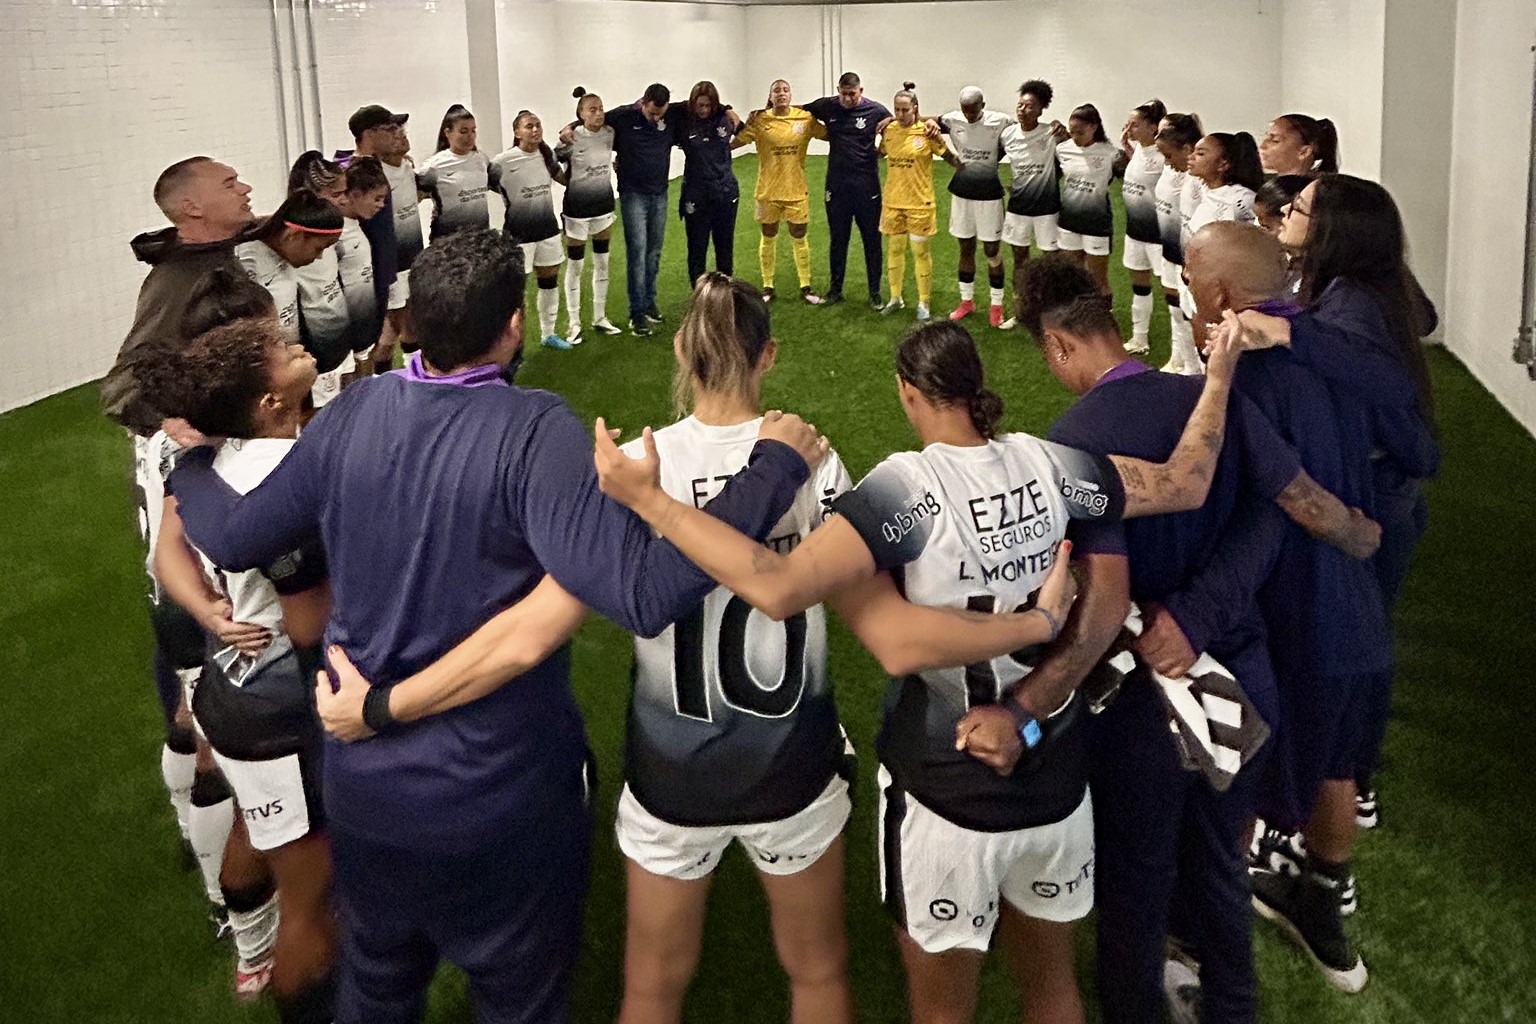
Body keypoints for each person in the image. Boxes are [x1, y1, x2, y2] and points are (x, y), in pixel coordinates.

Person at [309, 275, 1086, 1023]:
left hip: (670, 775)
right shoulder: (813, 461)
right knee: (815, 969)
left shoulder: (643, 470)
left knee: (651, 987)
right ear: (769, 355)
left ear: (682, 354)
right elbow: (859, 607)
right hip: (794, 767)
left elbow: (563, 608)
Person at [166, 228, 829, 1024]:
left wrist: (189, 465)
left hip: (367, 784)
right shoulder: (535, 428)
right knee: (519, 997)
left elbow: (234, 536)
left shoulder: (355, 410)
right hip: (501, 789)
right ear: (514, 325)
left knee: (378, 982)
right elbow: (643, 593)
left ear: (415, 323)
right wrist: (774, 468)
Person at [592, 314, 1247, 1024]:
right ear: (979, 387)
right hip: (1052, 779)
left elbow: (778, 587)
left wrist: (652, 500)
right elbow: (1187, 480)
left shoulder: (904, 488)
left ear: (908, 393)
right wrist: (1217, 378)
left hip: (945, 791)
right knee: (1053, 991)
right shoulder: (1055, 464)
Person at [1016, 254, 1380, 1024]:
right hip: (1240, 680)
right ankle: (1233, 1010)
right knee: (1221, 870)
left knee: (1135, 876)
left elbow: (1082, 586)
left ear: (1058, 346)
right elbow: (1279, 511)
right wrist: (1207, 612)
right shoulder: (1207, 400)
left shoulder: (1069, 441)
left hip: (1137, 700)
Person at [1182, 220, 1412, 994]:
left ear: (1218, 294)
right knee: (1338, 763)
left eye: (1187, 275)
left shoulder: (1244, 375)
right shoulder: (1335, 352)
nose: (1183, 288)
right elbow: (1406, 448)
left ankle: (1204, 948)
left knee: (1240, 769)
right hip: (1358, 610)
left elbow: (1274, 499)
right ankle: (1322, 914)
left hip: (1290, 610)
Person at [1232, 176, 1440, 898]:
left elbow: (1381, 381)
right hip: (1391, 501)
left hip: (1378, 509)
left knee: (1339, 671)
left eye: (1297, 210)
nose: (1284, 215)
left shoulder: (1349, 302)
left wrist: (1291, 330)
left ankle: (1322, 855)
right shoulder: (1370, 287)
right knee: (1359, 659)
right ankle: (1347, 799)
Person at [139, 313, 337, 1024]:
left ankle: (250, 954)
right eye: (283, 351)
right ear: (269, 403)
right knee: (312, 894)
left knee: (256, 830)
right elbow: (312, 625)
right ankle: (300, 999)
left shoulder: (201, 467)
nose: (295, 346)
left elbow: (167, 552)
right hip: (279, 707)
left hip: (226, 686)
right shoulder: (289, 488)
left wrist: (213, 617)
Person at [99, 156, 256, 907]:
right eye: (230, 183)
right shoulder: (176, 282)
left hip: (206, 479)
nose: (244, 188)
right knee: (202, 684)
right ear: (191, 208)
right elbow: (122, 387)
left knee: (195, 674)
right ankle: (225, 894)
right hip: (183, 490)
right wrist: (178, 424)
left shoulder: (211, 255)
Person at [234, 190, 346, 390]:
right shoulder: (248, 261)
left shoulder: (285, 256)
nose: (319, 257)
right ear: (293, 235)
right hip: (265, 378)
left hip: (288, 364)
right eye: (318, 248)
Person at [601, 83, 688, 335]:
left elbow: (698, 102)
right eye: (652, 113)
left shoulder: (671, 114)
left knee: (655, 252)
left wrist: (727, 109)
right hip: (633, 195)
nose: (656, 118)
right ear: (643, 102)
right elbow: (593, 120)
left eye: (660, 114)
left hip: (660, 193)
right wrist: (570, 128)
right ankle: (636, 313)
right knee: (637, 253)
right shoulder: (623, 116)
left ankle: (649, 302)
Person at [803, 72, 892, 308]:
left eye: (852, 94)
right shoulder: (827, 106)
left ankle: (875, 293)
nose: (848, 98)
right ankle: (835, 290)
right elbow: (799, 111)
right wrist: (770, 108)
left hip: (867, 186)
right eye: (844, 94)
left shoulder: (876, 111)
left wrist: (888, 128)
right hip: (837, 185)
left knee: (872, 240)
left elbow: (900, 124)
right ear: (838, 90)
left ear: (861, 91)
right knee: (838, 239)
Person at [734, 79, 826, 304]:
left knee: (799, 236)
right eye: (777, 91)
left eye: (785, 90)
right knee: (768, 236)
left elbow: (830, 134)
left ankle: (806, 287)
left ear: (791, 94)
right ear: (771, 96)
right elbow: (735, 142)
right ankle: (767, 287)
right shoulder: (760, 120)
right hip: (768, 192)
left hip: (796, 190)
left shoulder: (805, 119)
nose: (781, 94)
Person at [339, 104, 414, 372]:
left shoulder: (377, 167)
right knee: (367, 343)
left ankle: (390, 381)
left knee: (390, 331)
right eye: (390, 128)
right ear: (368, 133)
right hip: (361, 274)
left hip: (385, 265)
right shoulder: (347, 173)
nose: (397, 133)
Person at [877, 83, 960, 321]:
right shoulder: (889, 131)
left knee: (920, 252)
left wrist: (968, 168)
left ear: (915, 108)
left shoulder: (927, 132)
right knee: (894, 250)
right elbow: (879, 153)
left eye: (905, 109)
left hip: (920, 203)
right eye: (897, 110)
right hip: (893, 202)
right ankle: (895, 298)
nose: (901, 114)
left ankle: (924, 301)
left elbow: (948, 157)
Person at [491, 110, 572, 350]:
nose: (535, 130)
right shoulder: (503, 161)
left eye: (538, 125)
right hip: (518, 237)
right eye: (529, 126)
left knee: (549, 282)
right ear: (517, 132)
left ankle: (549, 334)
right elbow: (487, 182)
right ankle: (514, 341)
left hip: (548, 231)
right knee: (516, 294)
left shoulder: (546, 156)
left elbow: (565, 180)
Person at [935, 87, 1011, 327]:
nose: (967, 114)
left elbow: (1022, 133)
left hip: (989, 195)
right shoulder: (953, 119)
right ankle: (967, 301)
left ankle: (997, 305)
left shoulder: (1001, 121)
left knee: (991, 251)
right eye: (964, 109)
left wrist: (997, 156)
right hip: (963, 193)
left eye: (972, 109)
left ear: (983, 105)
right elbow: (929, 121)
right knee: (965, 248)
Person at [287, 154, 355, 405]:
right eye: (336, 194)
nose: (344, 200)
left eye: (345, 192)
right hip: (316, 347)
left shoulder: (335, 232)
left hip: (340, 335)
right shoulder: (294, 242)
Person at [998, 80, 1066, 330]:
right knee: (1019, 259)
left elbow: (1068, 159)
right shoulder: (1008, 135)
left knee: (1051, 259)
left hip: (1047, 209)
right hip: (1018, 209)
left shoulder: (1052, 133)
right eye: (1020, 104)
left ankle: (1054, 309)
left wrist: (1048, 181)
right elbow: (988, 159)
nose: (1023, 109)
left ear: (1041, 110)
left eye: (1030, 106)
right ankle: (1021, 310)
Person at [557, 88, 624, 341]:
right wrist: (573, 185)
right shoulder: (570, 138)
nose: (598, 113)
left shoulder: (610, 134)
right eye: (592, 109)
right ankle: (574, 323)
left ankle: (599, 317)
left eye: (600, 108)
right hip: (576, 212)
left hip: (604, 207)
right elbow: (552, 164)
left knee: (602, 262)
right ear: (581, 113)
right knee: (575, 265)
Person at [674, 81, 743, 288]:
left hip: (725, 191)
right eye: (699, 105)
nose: (704, 110)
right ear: (692, 103)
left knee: (724, 247)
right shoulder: (683, 121)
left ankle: (725, 296)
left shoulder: (724, 119)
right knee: (697, 248)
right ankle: (698, 296)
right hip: (696, 194)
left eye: (708, 106)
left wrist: (727, 109)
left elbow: (745, 130)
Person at [1154, 113, 1205, 375]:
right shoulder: (1178, 169)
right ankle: (1183, 362)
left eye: (1169, 156)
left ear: (1187, 149)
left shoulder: (1199, 182)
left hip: (1194, 263)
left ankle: (1197, 370)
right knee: (1178, 311)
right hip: (1173, 252)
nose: (1167, 163)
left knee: (1195, 316)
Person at [1117, 100, 1167, 354]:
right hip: (1134, 231)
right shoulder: (1141, 150)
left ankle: (1184, 352)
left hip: (1158, 236)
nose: (1129, 127)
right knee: (1139, 285)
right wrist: (1128, 148)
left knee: (1174, 294)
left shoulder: (1163, 157)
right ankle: (1139, 338)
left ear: (1153, 127)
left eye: (1135, 124)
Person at [333, 157, 391, 375]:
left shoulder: (358, 226)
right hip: (347, 334)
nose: (381, 205)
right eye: (376, 198)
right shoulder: (335, 237)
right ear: (354, 194)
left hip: (365, 328)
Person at [1054, 103, 1118, 294]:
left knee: (1098, 280)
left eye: (1080, 132)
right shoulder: (1062, 149)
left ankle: (1103, 319)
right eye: (1072, 131)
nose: (1075, 137)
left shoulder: (1110, 153)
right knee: (1071, 277)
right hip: (1069, 222)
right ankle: (1075, 318)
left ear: (1094, 127)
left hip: (1097, 224)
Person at [417, 104, 493, 240]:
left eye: (473, 130)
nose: (470, 136)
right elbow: (414, 198)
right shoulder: (434, 166)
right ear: (448, 133)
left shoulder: (481, 158)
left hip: (480, 240)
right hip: (448, 242)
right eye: (463, 131)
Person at [1186, 132, 1263, 239]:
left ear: (1224, 163)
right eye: (1193, 151)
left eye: (1200, 154)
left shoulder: (1242, 199)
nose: (1190, 157)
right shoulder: (1203, 188)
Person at [1259, 114, 1340, 177]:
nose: (1262, 146)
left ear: (1304, 152)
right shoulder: (1265, 184)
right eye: (1266, 137)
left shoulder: (1314, 193)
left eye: (1275, 140)